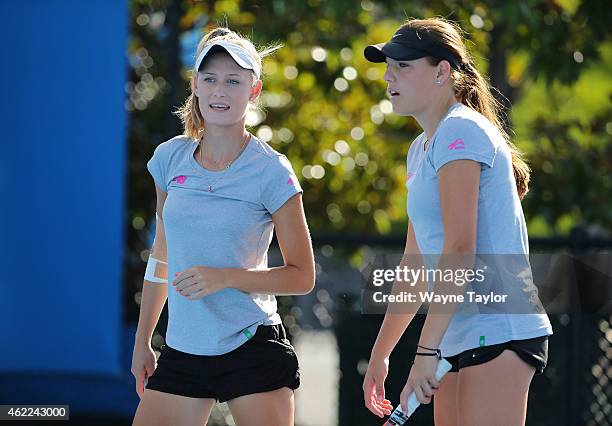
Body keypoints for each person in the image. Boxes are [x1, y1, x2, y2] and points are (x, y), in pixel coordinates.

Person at [361, 18, 553, 426]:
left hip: (501, 326)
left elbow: (460, 248)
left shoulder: (459, 132)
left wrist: (424, 354)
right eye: (387, 67)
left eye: (404, 66)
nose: (389, 77)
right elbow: (414, 264)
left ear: (442, 72)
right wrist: (381, 356)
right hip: (455, 336)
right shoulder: (421, 148)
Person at [131, 27, 315, 426]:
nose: (220, 91)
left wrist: (226, 278)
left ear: (254, 90)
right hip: (182, 351)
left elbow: (302, 277)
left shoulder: (272, 170)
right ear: (195, 85)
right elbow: (161, 257)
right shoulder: (169, 159)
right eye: (210, 79)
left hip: (252, 346)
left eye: (234, 81)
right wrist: (143, 340)